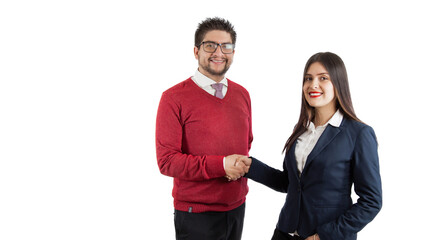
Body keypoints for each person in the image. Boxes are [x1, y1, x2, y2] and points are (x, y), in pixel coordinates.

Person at [237, 52, 382, 240]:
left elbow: (371, 202)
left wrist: (324, 235)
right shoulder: (302, 130)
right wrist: (251, 167)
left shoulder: (359, 134)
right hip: (284, 233)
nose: (313, 85)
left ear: (338, 84)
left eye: (323, 78)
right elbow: (290, 183)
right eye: (308, 78)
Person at [155, 17, 252, 240]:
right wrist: (221, 165)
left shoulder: (242, 94)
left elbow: (245, 144)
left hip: (237, 207)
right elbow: (167, 161)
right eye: (210, 45)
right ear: (196, 51)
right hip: (196, 214)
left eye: (226, 46)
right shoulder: (173, 98)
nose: (219, 52)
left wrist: (235, 166)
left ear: (233, 53)